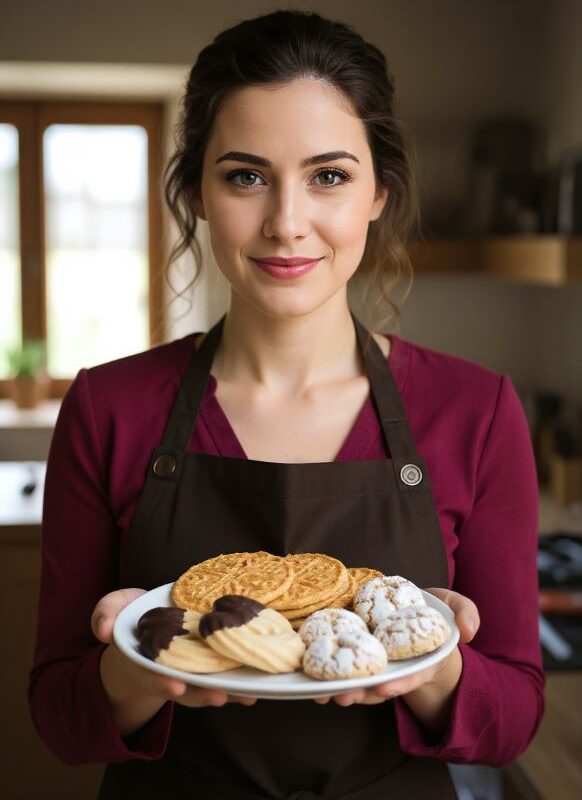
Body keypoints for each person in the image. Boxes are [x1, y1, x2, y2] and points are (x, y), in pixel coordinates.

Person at [29, 9, 544, 800]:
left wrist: (434, 662)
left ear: (379, 192)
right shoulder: (110, 406)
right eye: (245, 175)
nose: (286, 224)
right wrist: (136, 669)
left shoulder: (475, 411)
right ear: (197, 191)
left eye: (328, 176)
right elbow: (59, 722)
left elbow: (512, 720)